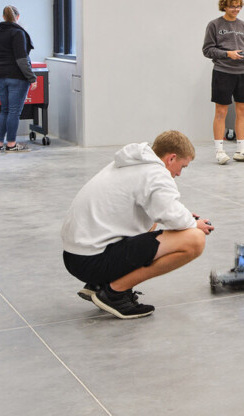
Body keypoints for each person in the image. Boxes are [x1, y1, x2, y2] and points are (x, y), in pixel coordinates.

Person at [60, 130, 214, 319]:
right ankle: (114, 293)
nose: (179, 173)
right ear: (171, 158)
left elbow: (161, 211)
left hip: (76, 257)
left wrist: (185, 218)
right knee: (194, 240)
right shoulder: (156, 172)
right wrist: (193, 224)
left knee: (152, 224)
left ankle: (99, 284)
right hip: (92, 261)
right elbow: (173, 216)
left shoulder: (133, 163)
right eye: (182, 166)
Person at [202, 0, 244, 164]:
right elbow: (207, 50)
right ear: (224, 6)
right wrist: (228, 54)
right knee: (221, 112)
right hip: (223, 72)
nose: (236, 9)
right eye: (233, 6)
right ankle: (219, 151)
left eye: (239, 6)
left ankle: (241, 149)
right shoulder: (214, 25)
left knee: (243, 111)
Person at [0, 5, 36, 153]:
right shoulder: (18, 33)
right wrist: (32, 77)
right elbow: (22, 59)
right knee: (14, 111)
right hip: (16, 77)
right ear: (18, 17)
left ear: (3, 17)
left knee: (5, 110)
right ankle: (11, 144)